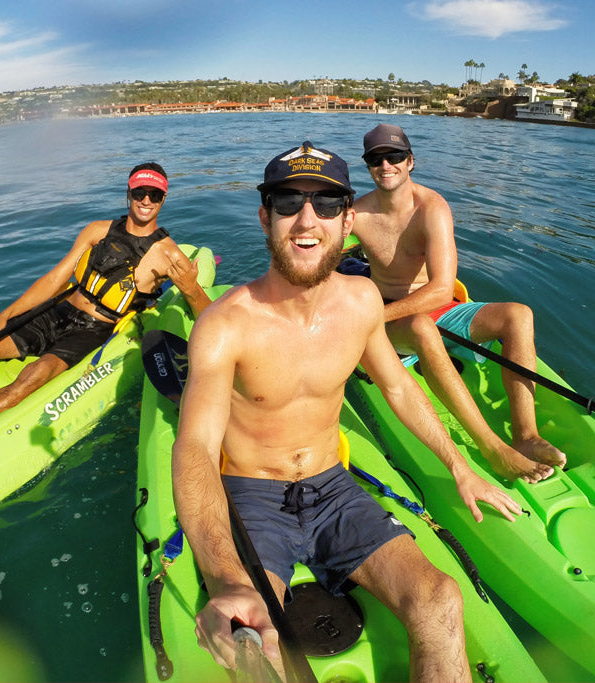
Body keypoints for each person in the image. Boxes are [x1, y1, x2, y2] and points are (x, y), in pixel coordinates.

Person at [172, 142, 521, 682]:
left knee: (438, 598)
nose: (306, 220)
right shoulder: (225, 325)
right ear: (265, 216)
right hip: (251, 495)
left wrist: (459, 467)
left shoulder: (361, 302)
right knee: (255, 645)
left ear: (348, 219)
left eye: (327, 204)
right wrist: (228, 579)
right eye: (288, 202)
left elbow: (399, 388)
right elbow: (194, 447)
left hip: (334, 490)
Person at [0, 162, 210, 461]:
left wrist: (192, 289)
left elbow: (206, 314)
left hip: (92, 330)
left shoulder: (170, 256)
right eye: (140, 193)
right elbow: (55, 279)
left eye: (154, 194)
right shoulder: (97, 230)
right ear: (128, 194)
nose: (146, 201)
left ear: (164, 199)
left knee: (34, 377)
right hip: (57, 311)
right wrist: (4, 316)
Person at [350, 123, 565, 483]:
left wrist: (374, 316)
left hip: (429, 309)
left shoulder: (432, 207)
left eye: (395, 156)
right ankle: (492, 448)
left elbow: (441, 289)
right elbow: (319, 248)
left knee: (518, 315)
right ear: (368, 165)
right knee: (420, 326)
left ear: (411, 161)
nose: (386, 165)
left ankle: (525, 436)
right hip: (395, 323)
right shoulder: (357, 214)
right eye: (376, 158)